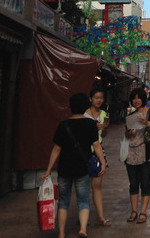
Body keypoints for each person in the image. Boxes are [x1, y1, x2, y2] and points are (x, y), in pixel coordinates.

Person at [42, 92, 106, 238]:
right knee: (83, 200)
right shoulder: (90, 124)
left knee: (63, 201)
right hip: (82, 168)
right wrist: (102, 162)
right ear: (85, 106)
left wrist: (48, 169)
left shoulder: (63, 125)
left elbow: (56, 149)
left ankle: (62, 233)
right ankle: (83, 230)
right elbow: (96, 145)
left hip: (64, 168)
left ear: (71, 107)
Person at [124, 87, 150, 224]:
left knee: (145, 182)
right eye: (134, 98)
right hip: (131, 153)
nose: (136, 100)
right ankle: (134, 211)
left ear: (143, 99)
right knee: (133, 183)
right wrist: (128, 133)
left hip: (146, 153)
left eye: (139, 98)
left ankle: (143, 211)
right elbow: (127, 135)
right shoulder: (130, 115)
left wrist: (147, 123)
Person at [84, 87, 111, 226]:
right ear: (90, 99)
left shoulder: (103, 113)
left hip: (98, 151)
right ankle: (83, 215)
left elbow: (104, 135)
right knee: (82, 185)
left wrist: (104, 128)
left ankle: (100, 216)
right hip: (84, 152)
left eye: (101, 97)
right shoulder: (84, 115)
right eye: (96, 97)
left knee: (97, 185)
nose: (99, 100)